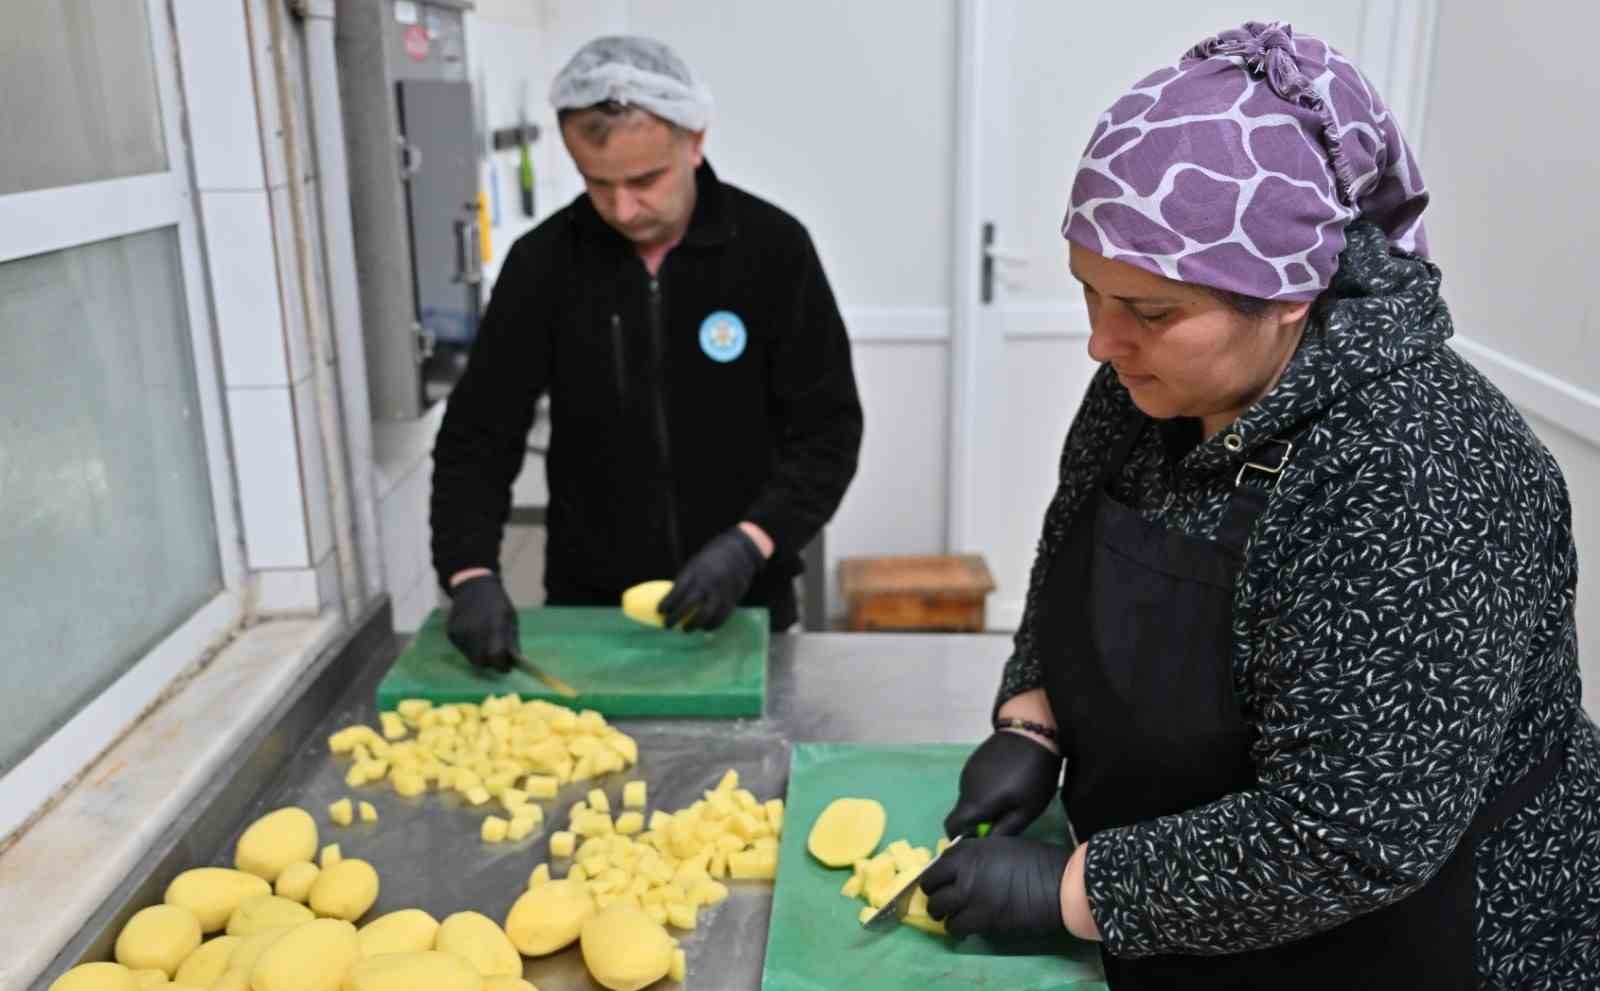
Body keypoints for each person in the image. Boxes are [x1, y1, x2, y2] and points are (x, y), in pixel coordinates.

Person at [923, 21, 1600, 989]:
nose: (1102, 343)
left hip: (1409, 946)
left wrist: (1077, 890)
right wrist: (1031, 715)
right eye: (1090, 293)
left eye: (1151, 312)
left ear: (1288, 295)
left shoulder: (1425, 471)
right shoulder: (1142, 386)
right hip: (1193, 924)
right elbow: (1068, 550)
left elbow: (1353, 832)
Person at [431, 37, 863, 669]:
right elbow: (479, 434)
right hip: (591, 611)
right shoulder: (543, 265)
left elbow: (828, 432)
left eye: (645, 180)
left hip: (746, 602)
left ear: (695, 140)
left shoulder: (772, 251)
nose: (623, 209)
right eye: (596, 183)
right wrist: (469, 570)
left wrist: (752, 542)